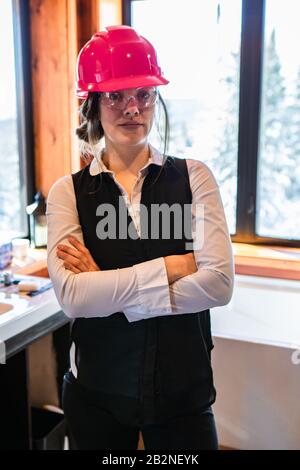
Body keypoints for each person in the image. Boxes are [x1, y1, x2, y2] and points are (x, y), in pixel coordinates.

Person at [46, 25, 234, 450]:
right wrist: (175, 267)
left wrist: (108, 289)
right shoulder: (68, 193)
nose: (132, 108)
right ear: (93, 105)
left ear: (156, 99)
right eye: (115, 96)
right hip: (97, 394)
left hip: (183, 394)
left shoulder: (194, 178)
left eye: (143, 94)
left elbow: (219, 285)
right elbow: (74, 297)